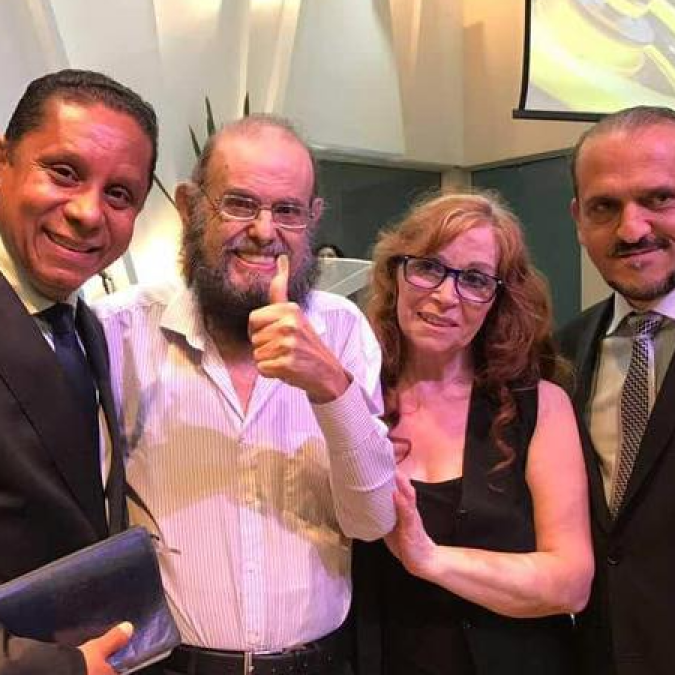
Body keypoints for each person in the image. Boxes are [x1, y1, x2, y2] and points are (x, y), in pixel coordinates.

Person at [94, 114, 396, 675]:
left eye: (288, 211)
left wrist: (332, 389)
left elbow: (372, 520)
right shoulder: (118, 331)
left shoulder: (342, 329)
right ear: (189, 207)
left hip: (319, 664)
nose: (264, 230)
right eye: (239, 204)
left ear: (312, 219)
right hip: (168, 666)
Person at [353, 190, 593, 675]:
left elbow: (571, 583)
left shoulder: (541, 406)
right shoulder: (353, 398)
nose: (446, 296)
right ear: (395, 273)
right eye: (428, 268)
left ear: (498, 299)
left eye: (475, 280)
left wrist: (430, 559)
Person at [0, 69, 157, 674]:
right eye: (64, 172)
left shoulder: (83, 324)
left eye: (119, 194)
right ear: (4, 162)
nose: (89, 213)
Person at [557, 105, 675, 675]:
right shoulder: (558, 356)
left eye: (660, 198)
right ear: (579, 219)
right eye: (605, 207)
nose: (632, 230)